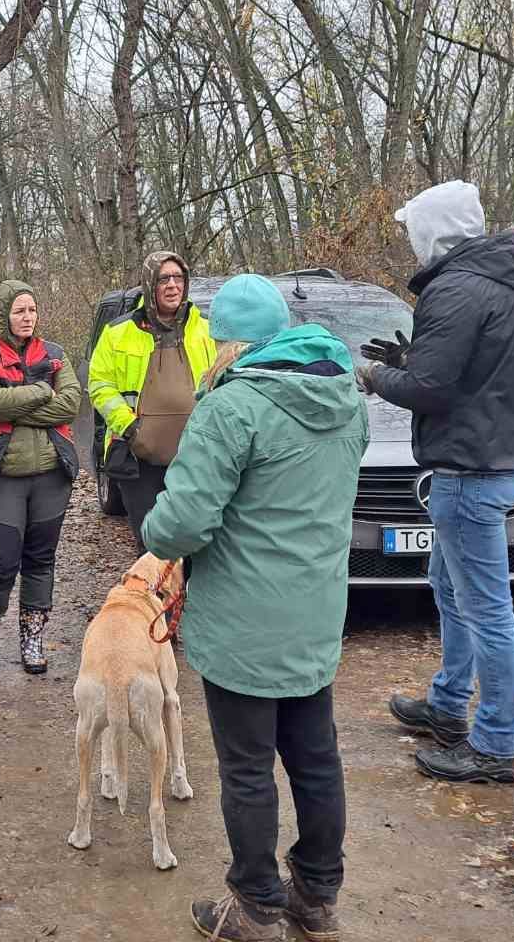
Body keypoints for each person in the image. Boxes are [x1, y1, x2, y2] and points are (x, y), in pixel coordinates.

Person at [143, 274, 367, 942]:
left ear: (229, 340)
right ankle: (318, 898)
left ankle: (256, 907)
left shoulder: (232, 407)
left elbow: (180, 524)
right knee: (316, 757)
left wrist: (158, 530)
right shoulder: (345, 399)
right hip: (316, 614)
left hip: (243, 625)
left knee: (247, 768)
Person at [355, 180, 514, 785]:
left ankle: (493, 745)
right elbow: (473, 373)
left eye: (415, 231)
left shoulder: (455, 288)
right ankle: (446, 703)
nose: (412, 242)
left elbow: (431, 390)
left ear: (434, 231)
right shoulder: (503, 282)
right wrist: (414, 360)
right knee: (450, 588)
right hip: (497, 457)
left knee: (487, 610)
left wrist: (377, 376)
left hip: (469, 468)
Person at [0, 279, 81, 679]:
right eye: (19, 310)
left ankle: (33, 638)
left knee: (40, 560)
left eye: (31, 310)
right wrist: (40, 392)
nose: (27, 317)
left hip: (50, 476)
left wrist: (17, 403)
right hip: (2, 477)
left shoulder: (56, 354)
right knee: (1, 563)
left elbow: (70, 404)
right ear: (4, 315)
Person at [87, 251, 214, 541]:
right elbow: (100, 385)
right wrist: (130, 427)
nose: (172, 285)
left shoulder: (206, 329)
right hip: (138, 459)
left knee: (195, 546)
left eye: (178, 278)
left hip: (196, 459)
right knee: (152, 549)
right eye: (163, 279)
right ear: (149, 284)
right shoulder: (118, 332)